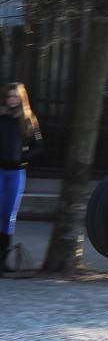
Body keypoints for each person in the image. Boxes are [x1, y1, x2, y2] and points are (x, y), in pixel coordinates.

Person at [0, 83, 42, 272]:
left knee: (9, 216)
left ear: (21, 98)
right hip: (0, 170)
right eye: (9, 96)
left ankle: (4, 259)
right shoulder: (1, 117)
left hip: (16, 173)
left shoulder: (28, 119)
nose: (12, 100)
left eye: (15, 96)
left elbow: (39, 145)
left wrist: (23, 159)